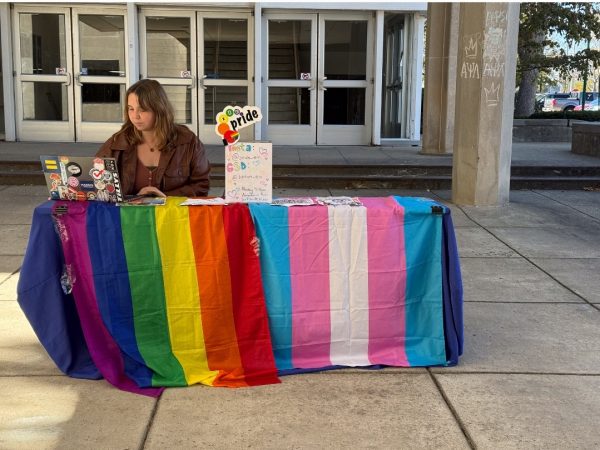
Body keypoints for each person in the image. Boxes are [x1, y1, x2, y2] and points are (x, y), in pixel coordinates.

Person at [96, 79, 210, 197]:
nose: (135, 116)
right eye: (131, 108)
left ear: (159, 109)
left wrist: (167, 197)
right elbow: (99, 186)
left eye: (142, 109)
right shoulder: (117, 143)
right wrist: (135, 198)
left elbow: (201, 185)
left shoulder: (188, 141)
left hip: (173, 214)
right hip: (131, 215)